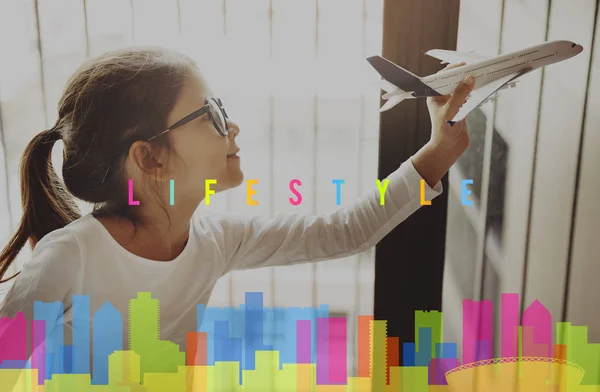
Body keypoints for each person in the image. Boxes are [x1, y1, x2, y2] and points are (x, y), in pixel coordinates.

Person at [0, 47, 473, 373]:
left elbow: (346, 231)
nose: (233, 126)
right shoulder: (71, 256)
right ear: (150, 157)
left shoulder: (216, 241)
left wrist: (437, 152)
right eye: (211, 114)